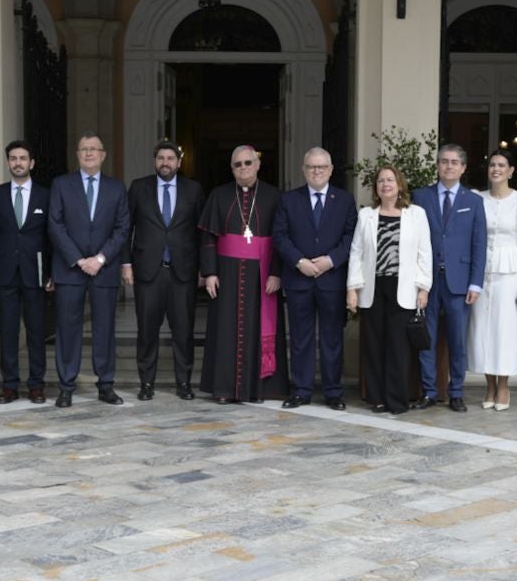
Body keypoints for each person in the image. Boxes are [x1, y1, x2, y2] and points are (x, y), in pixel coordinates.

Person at [50, 132, 130, 406]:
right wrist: (78, 259)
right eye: (84, 149)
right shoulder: (61, 185)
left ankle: (106, 384)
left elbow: (122, 228)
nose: (89, 154)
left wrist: (100, 259)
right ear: (77, 154)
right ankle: (66, 386)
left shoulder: (116, 188)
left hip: (104, 270)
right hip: (70, 269)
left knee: (105, 329)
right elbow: (55, 225)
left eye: (94, 149)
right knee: (67, 329)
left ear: (103, 155)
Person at [275, 146, 358, 410]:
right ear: (303, 169)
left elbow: (351, 238)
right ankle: (301, 390)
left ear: (331, 169)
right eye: (311, 166)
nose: (317, 171)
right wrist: (299, 262)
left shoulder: (345, 200)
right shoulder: (289, 200)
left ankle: (333, 392)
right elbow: (280, 236)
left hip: (331, 280)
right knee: (301, 338)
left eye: (322, 166)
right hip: (299, 280)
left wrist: (330, 260)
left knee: (332, 338)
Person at [200, 144, 284, 402]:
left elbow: (282, 239)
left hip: (261, 276)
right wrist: (210, 272)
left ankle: (258, 389)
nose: (243, 168)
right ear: (232, 169)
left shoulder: (274, 196)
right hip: (227, 274)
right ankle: (224, 389)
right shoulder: (219, 194)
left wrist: (276, 273)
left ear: (258, 164)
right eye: (238, 164)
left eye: (248, 163)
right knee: (225, 331)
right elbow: (208, 236)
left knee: (259, 330)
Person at [346, 165, 432, 414]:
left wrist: (423, 288)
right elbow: (357, 253)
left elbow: (424, 253)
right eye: (381, 181)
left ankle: (397, 400)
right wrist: (352, 288)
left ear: (399, 185)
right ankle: (377, 398)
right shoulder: (366, 216)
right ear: (376, 188)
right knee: (373, 346)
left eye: (390, 180)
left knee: (398, 347)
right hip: (373, 288)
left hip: (403, 288)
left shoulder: (416, 214)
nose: (385, 184)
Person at [124, 141, 205, 401]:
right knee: (147, 331)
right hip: (148, 272)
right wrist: (126, 263)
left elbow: (202, 233)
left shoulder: (194, 189)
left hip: (183, 272)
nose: (165, 163)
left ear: (179, 163)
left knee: (183, 331)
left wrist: (205, 268)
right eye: (160, 158)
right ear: (154, 161)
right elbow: (126, 228)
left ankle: (184, 383)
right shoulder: (139, 187)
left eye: (170, 158)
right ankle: (146, 383)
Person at [413, 143, 487, 411]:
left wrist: (476, 282)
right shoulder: (420, 196)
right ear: (437, 165)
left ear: (463, 168)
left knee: (457, 341)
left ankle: (456, 392)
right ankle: (430, 392)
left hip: (459, 282)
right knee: (426, 339)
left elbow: (479, 244)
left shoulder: (474, 201)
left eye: (454, 162)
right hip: (427, 282)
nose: (448, 166)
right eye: (444, 161)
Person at [0, 140, 51, 403]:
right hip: (4, 273)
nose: (18, 162)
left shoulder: (45, 194)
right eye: (13, 158)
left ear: (31, 163)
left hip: (36, 273)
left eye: (23, 158)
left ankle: (36, 385)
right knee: (8, 331)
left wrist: (52, 273)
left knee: (36, 331)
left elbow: (50, 237)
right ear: (8, 162)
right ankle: (9, 385)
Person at [468, 150, 517, 411]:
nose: (496, 169)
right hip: (481, 271)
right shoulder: (477, 199)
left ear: (511, 171)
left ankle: (504, 385)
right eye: (492, 165)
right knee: (481, 328)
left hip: (509, 272)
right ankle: (489, 385)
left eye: (501, 165)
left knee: (504, 330)